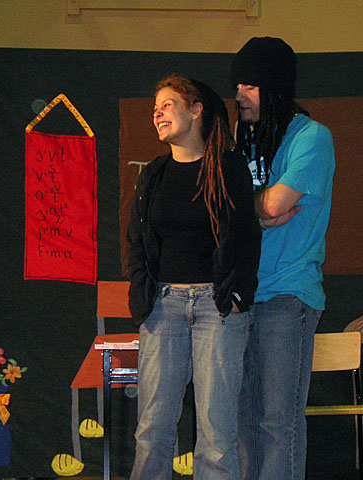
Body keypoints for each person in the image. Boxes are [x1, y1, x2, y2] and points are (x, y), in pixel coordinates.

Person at [127, 76, 262, 480]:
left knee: (216, 434)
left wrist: (236, 295)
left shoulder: (229, 168)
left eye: (167, 105)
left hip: (216, 309)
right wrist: (142, 295)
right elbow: (136, 240)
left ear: (196, 110)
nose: (157, 113)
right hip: (163, 307)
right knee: (152, 428)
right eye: (155, 108)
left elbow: (247, 236)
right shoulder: (154, 173)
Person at [230, 37, 336, 480]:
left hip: (287, 295)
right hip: (241, 295)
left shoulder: (312, 137)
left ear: (275, 88)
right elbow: (229, 204)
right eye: (237, 84)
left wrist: (251, 205)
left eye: (251, 85)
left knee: (278, 421)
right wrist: (255, 207)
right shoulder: (244, 140)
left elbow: (275, 205)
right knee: (242, 421)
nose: (240, 94)